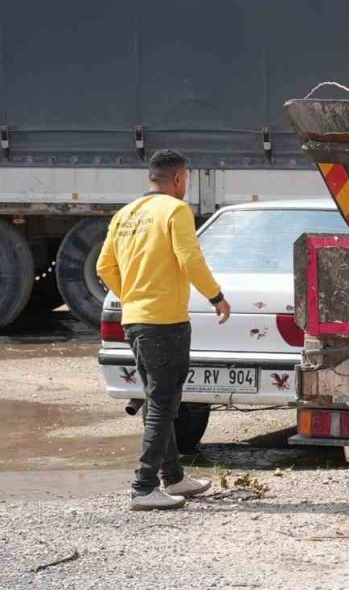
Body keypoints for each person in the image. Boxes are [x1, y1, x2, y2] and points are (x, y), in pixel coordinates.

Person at [96, 149, 232, 511]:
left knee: (158, 398)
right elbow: (190, 258)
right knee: (163, 402)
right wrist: (216, 297)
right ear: (177, 179)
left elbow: (103, 266)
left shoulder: (125, 214)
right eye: (185, 179)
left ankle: (172, 477)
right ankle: (143, 487)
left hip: (135, 319)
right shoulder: (175, 210)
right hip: (165, 322)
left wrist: (133, 296)